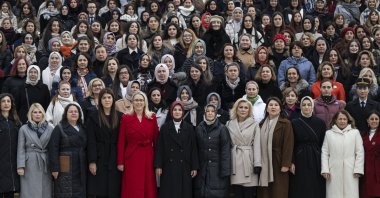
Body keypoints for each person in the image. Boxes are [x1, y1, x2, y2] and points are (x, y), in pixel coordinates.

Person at [117, 91, 158, 198]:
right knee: (133, 186)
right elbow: (121, 142)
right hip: (131, 156)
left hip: (148, 157)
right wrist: (120, 162)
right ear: (132, 102)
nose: (139, 102)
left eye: (141, 100)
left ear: (145, 102)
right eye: (136, 100)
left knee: (148, 185)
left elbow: (157, 141)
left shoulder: (152, 117)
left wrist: (158, 162)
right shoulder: (126, 118)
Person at [154, 101, 199, 198]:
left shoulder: (189, 128)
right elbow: (159, 148)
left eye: (179, 110)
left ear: (183, 112)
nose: (177, 112)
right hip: (168, 167)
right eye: (175, 110)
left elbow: (193, 148)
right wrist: (158, 165)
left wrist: (194, 166)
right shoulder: (165, 128)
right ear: (171, 112)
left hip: (185, 166)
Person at [86, 88, 122, 198]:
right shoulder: (93, 116)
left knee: (115, 188)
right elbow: (90, 140)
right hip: (99, 156)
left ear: (113, 99)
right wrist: (92, 161)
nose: (107, 100)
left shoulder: (121, 116)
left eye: (109, 97)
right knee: (100, 189)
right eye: (104, 98)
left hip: (115, 156)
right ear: (100, 100)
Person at [321, 110, 364, 198]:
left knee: (350, 193)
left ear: (348, 120)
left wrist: (358, 169)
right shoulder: (329, 134)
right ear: (335, 120)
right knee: (334, 194)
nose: (342, 121)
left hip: (351, 170)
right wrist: (325, 169)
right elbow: (325, 153)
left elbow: (359, 152)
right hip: (333, 170)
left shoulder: (355, 133)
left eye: (344, 119)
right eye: (340, 119)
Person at [289, 96, 326, 198]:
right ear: (300, 107)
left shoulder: (320, 123)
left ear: (312, 107)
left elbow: (323, 144)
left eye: (309, 105)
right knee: (300, 184)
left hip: (316, 157)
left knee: (315, 184)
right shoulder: (294, 122)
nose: (306, 107)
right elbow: (291, 143)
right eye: (304, 105)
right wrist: (292, 161)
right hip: (299, 157)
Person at [48, 102, 87, 197]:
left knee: (80, 191)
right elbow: (53, 148)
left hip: (81, 164)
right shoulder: (59, 128)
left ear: (79, 114)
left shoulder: (82, 127)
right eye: (71, 112)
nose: (73, 113)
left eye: (76, 111)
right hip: (65, 166)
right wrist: (54, 168)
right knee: (65, 191)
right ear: (66, 114)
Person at [258, 97, 294, 198]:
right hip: (263, 161)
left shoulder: (285, 123)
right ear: (267, 109)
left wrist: (286, 163)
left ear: (280, 108)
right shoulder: (261, 124)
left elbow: (288, 144)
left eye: (276, 105)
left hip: (278, 161)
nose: (273, 107)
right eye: (270, 105)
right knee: (265, 191)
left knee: (278, 190)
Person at [17, 103, 54, 198]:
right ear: (31, 114)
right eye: (35, 112)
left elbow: (53, 148)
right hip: (29, 163)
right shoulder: (24, 128)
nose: (37, 114)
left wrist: (54, 165)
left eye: (40, 112)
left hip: (45, 161)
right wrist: (20, 166)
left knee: (45, 189)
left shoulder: (50, 128)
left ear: (43, 114)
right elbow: (21, 148)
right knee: (29, 190)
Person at [193, 104, 231, 198]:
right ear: (204, 113)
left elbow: (225, 151)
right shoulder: (199, 128)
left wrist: (225, 171)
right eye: (208, 111)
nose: (210, 113)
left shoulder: (222, 129)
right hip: (202, 169)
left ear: (216, 114)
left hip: (217, 170)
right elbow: (195, 149)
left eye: (212, 111)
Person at [226, 98, 261, 197]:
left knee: (249, 193)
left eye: (246, 108)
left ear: (249, 110)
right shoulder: (229, 124)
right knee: (237, 194)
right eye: (240, 107)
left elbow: (257, 145)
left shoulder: (254, 125)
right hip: (235, 162)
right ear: (236, 109)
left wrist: (257, 164)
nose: (243, 110)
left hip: (249, 162)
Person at [0, 93, 21, 197]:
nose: (6, 104)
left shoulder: (16, 122)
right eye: (3, 101)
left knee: (9, 193)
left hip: (12, 165)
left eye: (8, 101)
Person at [360, 111, 380, 198]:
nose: (374, 121)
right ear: (367, 120)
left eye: (376, 119)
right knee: (365, 192)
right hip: (365, 167)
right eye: (372, 119)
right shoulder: (362, 135)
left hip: (377, 168)